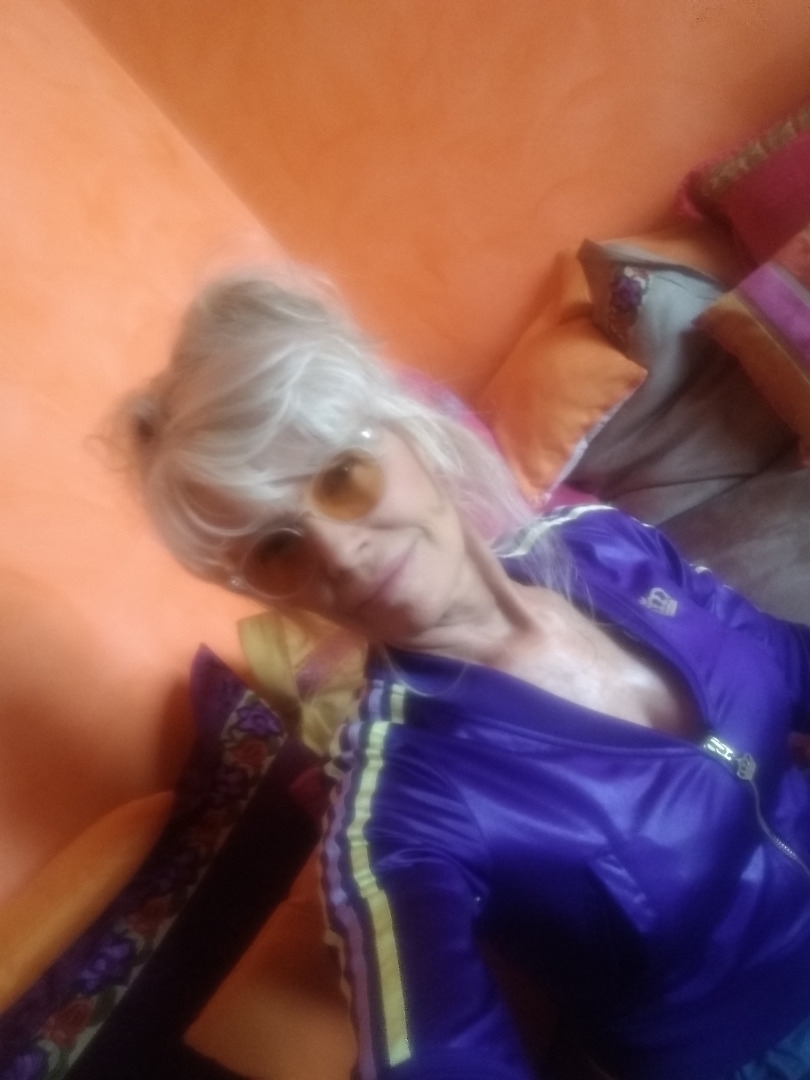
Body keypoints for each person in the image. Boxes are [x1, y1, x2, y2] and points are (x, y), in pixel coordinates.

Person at [114, 271, 810, 1080]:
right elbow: (436, 1053)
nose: (339, 552)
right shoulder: (398, 807)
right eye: (277, 549)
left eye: (341, 476)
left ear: (410, 435)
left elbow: (785, 658)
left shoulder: (604, 545)